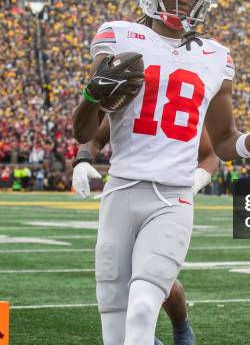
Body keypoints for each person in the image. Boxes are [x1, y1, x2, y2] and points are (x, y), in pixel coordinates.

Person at [72, 0, 250, 345]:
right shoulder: (118, 35)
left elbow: (224, 144)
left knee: (143, 307)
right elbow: (84, 129)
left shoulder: (216, 58)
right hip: (120, 189)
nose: (183, 2)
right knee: (114, 325)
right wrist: (91, 95)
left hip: (173, 198)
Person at [72, 116, 218, 344]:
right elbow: (95, 136)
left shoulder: (185, 98)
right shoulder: (129, 92)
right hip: (123, 198)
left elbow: (209, 156)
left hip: (168, 200)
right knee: (121, 287)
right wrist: (82, 159)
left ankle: (181, 328)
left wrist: (195, 181)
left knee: (155, 280)